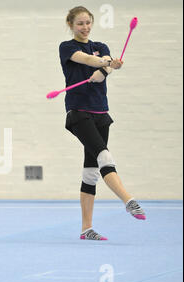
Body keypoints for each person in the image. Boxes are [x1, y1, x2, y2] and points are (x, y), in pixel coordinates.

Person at [59, 6, 145, 241]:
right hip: (79, 113)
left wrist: (107, 69)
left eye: (88, 23)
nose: (85, 27)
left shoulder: (102, 46)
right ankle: (129, 201)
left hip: (100, 113)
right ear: (71, 25)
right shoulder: (67, 47)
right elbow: (85, 59)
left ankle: (86, 229)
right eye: (80, 24)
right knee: (104, 156)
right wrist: (104, 63)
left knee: (91, 172)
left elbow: (105, 66)